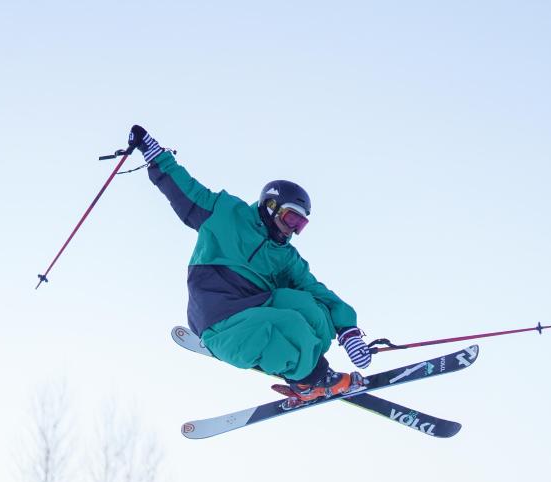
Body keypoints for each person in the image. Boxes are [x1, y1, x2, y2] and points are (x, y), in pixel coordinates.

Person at [128, 125, 373, 401]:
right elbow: (187, 190)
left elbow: (317, 291)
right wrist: (153, 152)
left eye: (300, 225)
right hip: (217, 314)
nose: (293, 230)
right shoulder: (226, 214)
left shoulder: (285, 256)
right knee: (290, 322)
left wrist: (348, 331)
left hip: (254, 305)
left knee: (312, 310)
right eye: (292, 219)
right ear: (272, 206)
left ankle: (303, 369)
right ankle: (311, 379)